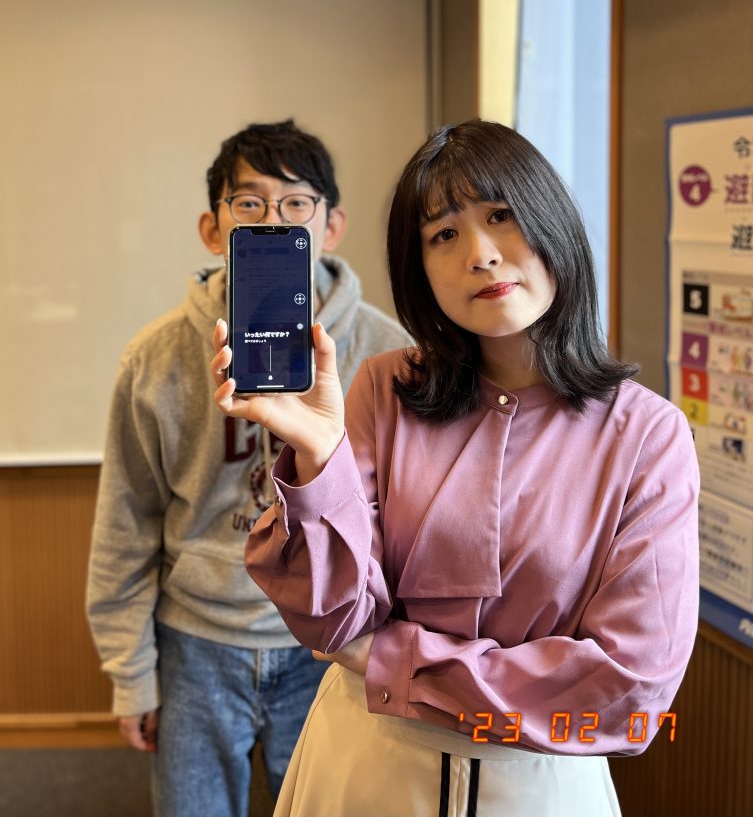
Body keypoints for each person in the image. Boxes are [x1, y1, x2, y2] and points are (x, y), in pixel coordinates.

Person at [212, 120, 700, 817]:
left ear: (551, 220)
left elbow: (630, 692)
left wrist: (392, 660)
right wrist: (318, 458)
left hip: (537, 785)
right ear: (419, 269)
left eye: (500, 216)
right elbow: (333, 619)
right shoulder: (383, 389)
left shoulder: (647, 435)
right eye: (443, 234)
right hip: (365, 766)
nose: (480, 254)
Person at [86, 119, 412, 817]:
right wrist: (131, 675)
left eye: (296, 204)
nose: (273, 221)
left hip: (335, 640)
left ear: (330, 227)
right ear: (214, 229)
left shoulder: (387, 353)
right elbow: (126, 521)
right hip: (197, 641)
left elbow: (407, 522)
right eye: (250, 203)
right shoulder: (155, 357)